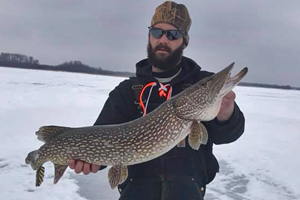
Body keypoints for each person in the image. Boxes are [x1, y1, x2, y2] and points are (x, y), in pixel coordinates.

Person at [68, 1, 245, 200]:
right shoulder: (127, 91)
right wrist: (91, 160)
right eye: (156, 32)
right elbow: (103, 138)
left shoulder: (199, 85)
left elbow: (227, 136)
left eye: (173, 34)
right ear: (149, 36)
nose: (163, 39)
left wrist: (227, 115)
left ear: (184, 41)